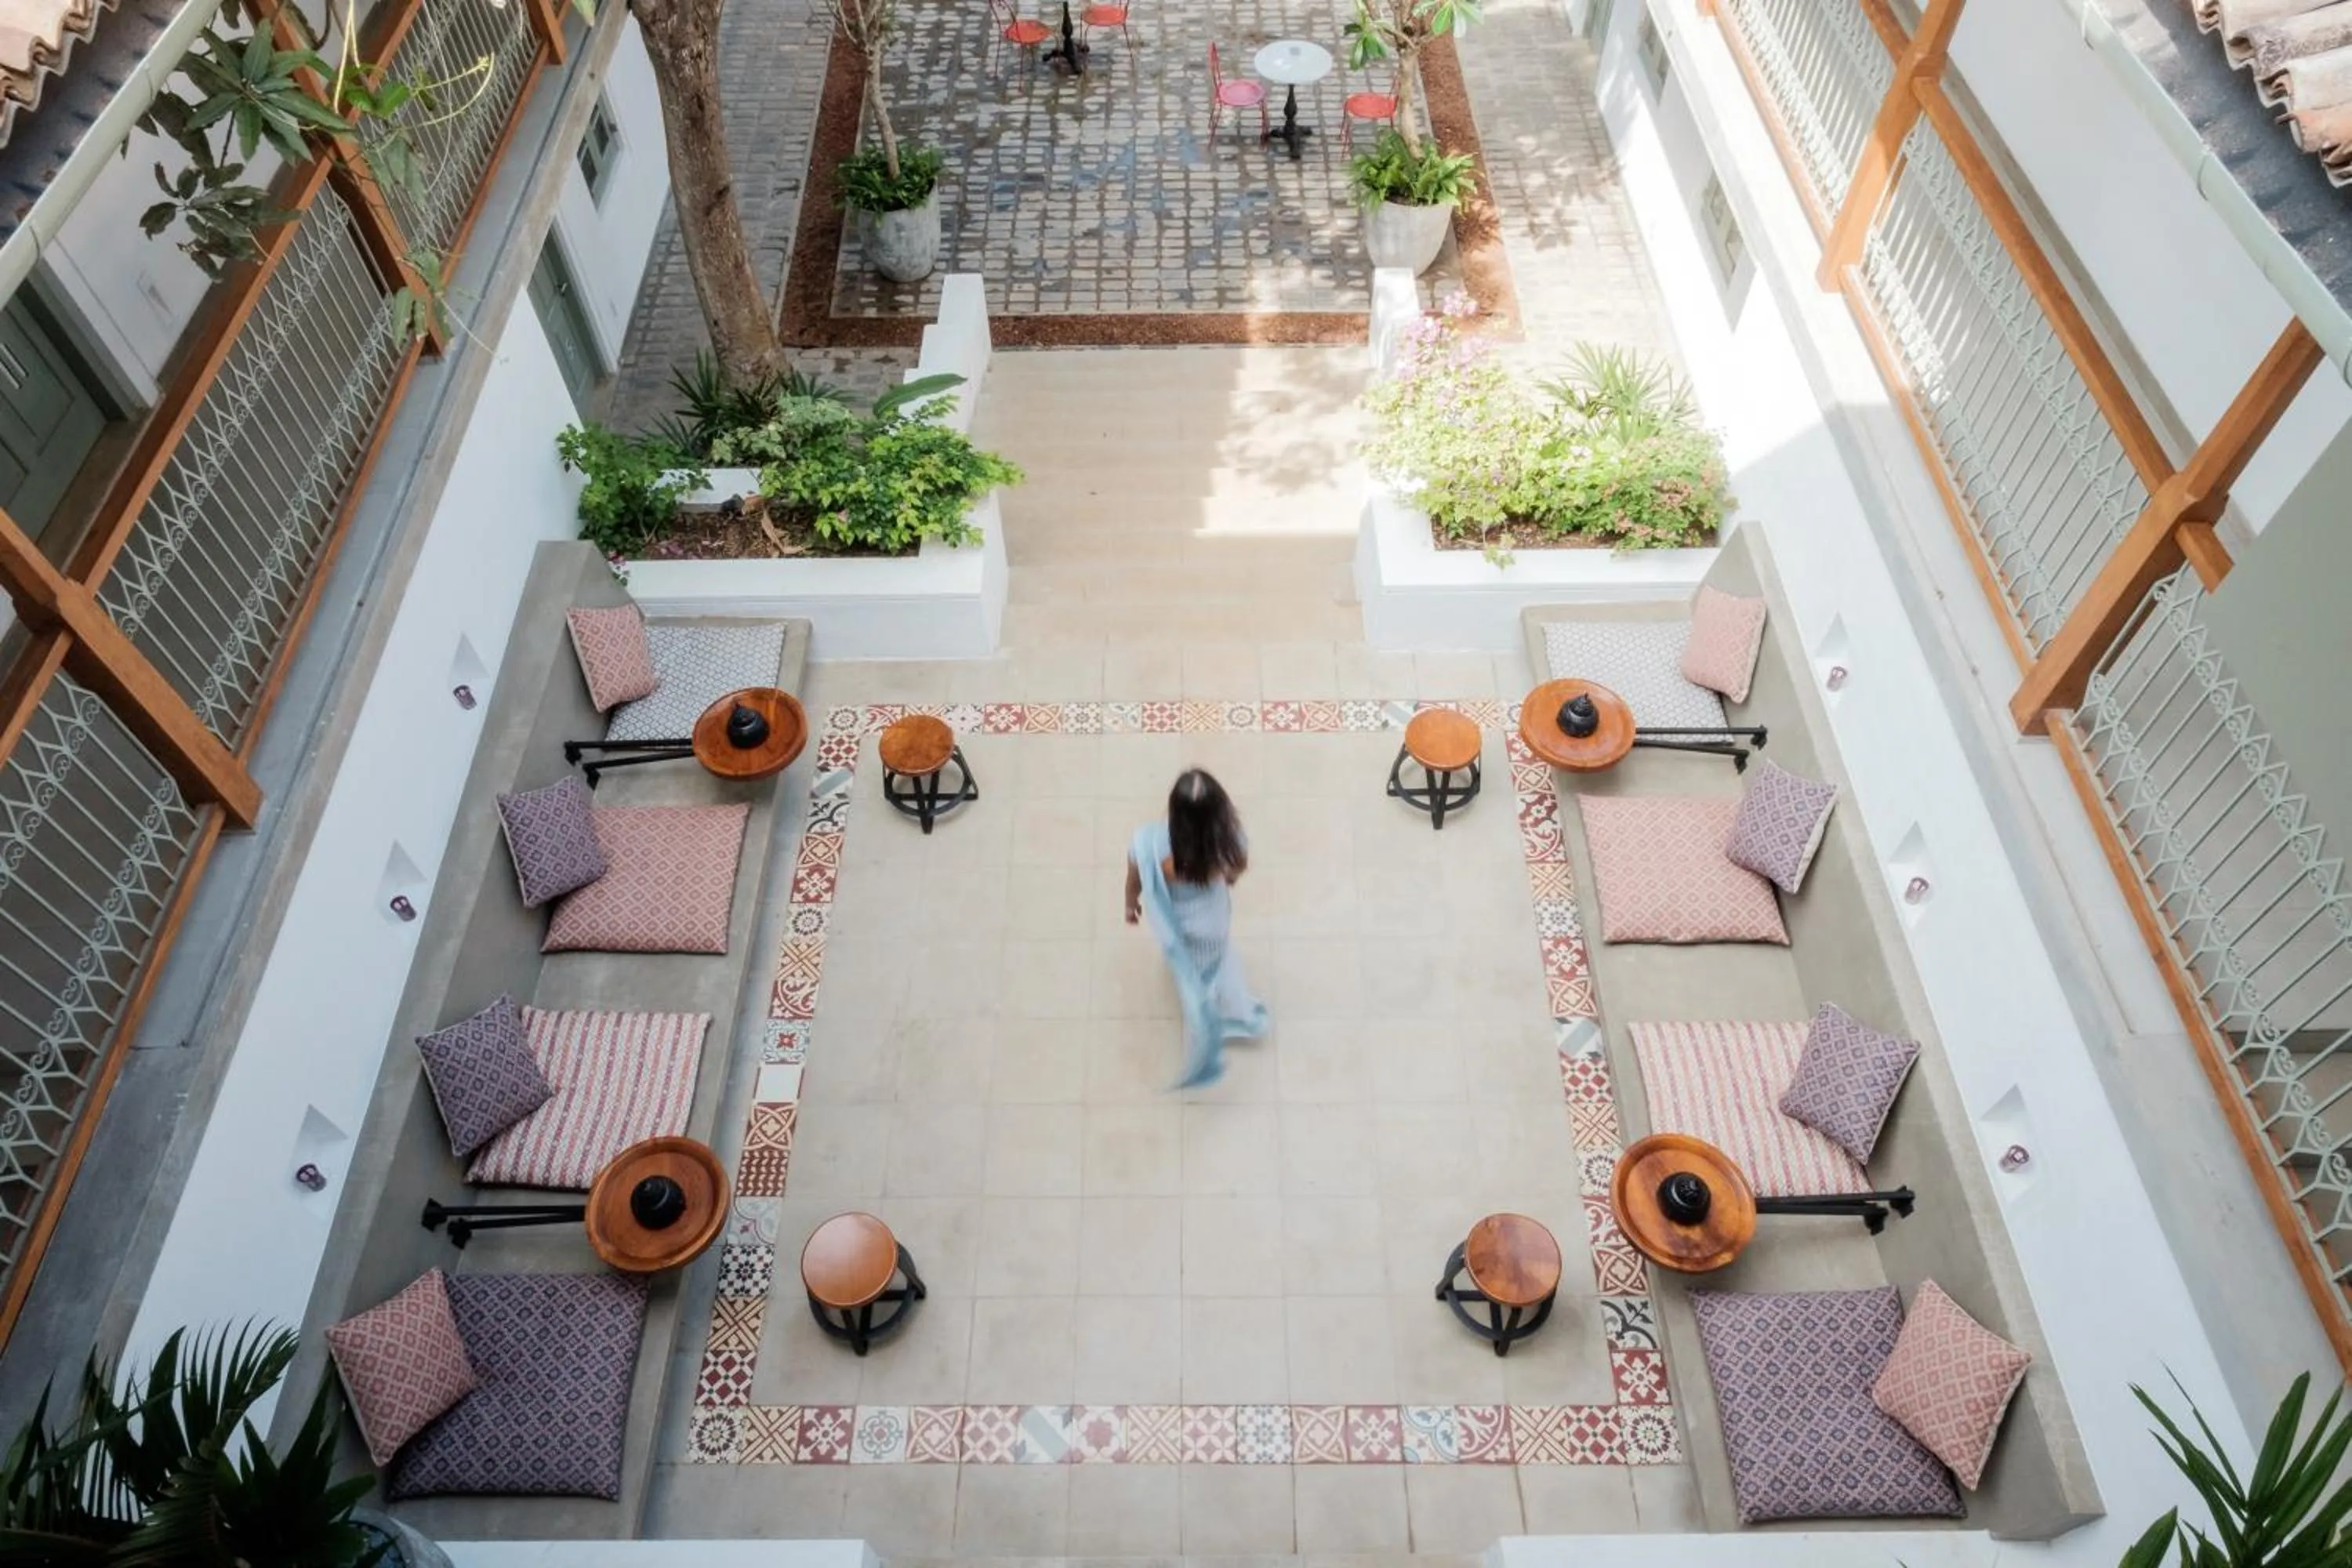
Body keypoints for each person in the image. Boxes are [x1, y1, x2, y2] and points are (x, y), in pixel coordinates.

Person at [1124, 768, 1269, 1089]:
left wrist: (1130, 905)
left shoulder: (1148, 843)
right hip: (1212, 922)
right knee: (1212, 967)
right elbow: (1235, 872)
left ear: (1174, 810)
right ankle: (1226, 1009)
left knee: (1187, 970)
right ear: (1221, 808)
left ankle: (1202, 1016)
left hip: (1176, 922)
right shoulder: (1230, 843)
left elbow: (1134, 879)